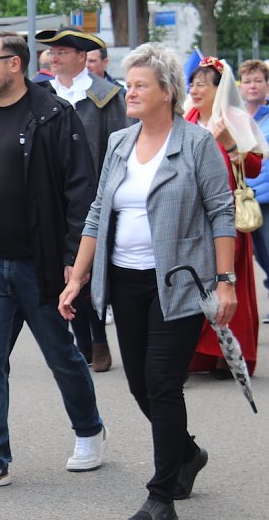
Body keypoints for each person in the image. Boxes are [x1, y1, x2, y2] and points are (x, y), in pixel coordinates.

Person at [59, 42, 236, 520]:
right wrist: (77, 277)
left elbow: (222, 214)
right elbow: (98, 211)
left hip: (177, 281)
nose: (129, 91)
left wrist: (225, 281)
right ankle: (187, 453)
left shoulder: (197, 143)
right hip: (123, 281)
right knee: (139, 384)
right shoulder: (120, 141)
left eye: (139, 85)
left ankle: (161, 497)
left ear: (167, 91)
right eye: (128, 83)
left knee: (162, 383)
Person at [0, 31, 106, 494]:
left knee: (62, 356)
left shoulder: (54, 115)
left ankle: (89, 430)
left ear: (14, 64)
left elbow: (82, 190)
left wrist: (72, 261)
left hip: (41, 266)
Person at [36, 26, 128, 372]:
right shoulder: (41, 92)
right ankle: (82, 340)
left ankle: (99, 339)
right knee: (65, 268)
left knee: (88, 267)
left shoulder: (107, 95)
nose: (53, 57)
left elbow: (119, 147)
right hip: (51, 197)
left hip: (92, 196)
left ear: (80, 57)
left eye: (61, 52)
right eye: (51, 52)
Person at [185, 57, 261, 376]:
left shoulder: (234, 119)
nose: (195, 89)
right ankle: (193, 351)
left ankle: (225, 352)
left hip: (224, 213)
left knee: (227, 280)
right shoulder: (186, 118)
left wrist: (230, 145)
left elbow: (254, 168)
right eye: (193, 83)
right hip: (189, 214)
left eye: (203, 83)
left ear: (220, 88)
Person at [240, 60, 269, 315]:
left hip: (267, 198)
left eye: (258, 81)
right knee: (256, 256)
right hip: (243, 199)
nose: (252, 86)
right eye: (247, 81)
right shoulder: (235, 118)